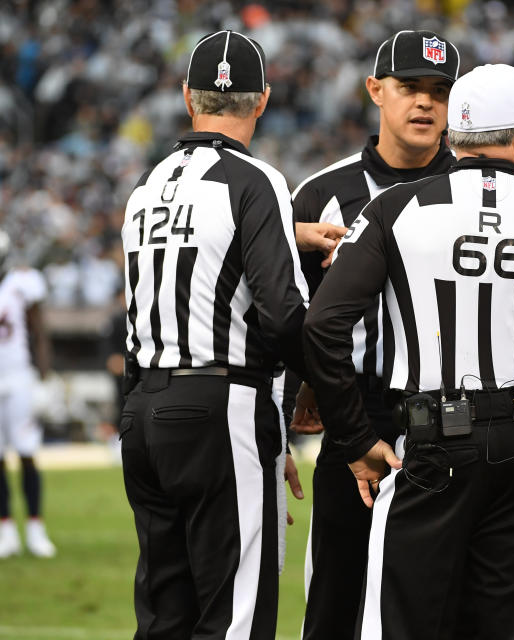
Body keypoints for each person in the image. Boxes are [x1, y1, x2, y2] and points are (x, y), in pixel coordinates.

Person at [299, 63, 514, 640]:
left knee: (407, 623)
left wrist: (355, 439)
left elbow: (324, 327)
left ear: (454, 135)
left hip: (434, 438)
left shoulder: (394, 209)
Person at [119, 30, 311, 639]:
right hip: (220, 404)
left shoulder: (144, 189)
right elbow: (283, 315)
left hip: (145, 407)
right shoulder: (256, 181)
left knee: (164, 614)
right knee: (236, 615)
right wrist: (278, 420)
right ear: (262, 99)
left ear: (186, 97)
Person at [288, 29, 459, 640]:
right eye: (410, 87)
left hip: (451, 413)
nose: (425, 103)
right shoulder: (321, 194)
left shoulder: (471, 188)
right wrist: (304, 397)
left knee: (442, 602)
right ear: (374, 90)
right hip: (354, 410)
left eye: (440, 91)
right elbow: (292, 314)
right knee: (336, 595)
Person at [0, 229, 56, 559]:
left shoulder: (22, 285)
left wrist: (44, 378)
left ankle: (36, 528)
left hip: (20, 377)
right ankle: (6, 529)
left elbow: (39, 331)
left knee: (26, 452)